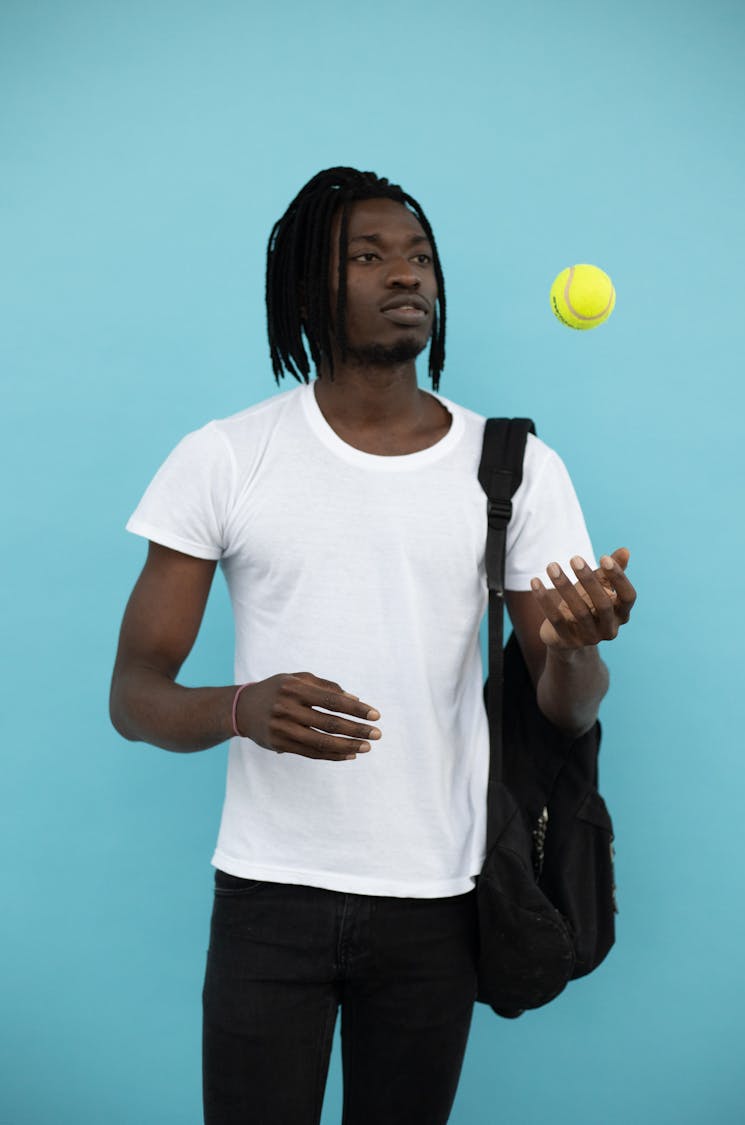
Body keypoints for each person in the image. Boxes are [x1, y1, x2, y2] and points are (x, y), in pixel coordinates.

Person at [109, 166, 636, 1125]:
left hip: (441, 896)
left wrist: (574, 646)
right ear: (311, 287)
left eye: (421, 257)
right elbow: (134, 692)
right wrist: (240, 707)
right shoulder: (228, 456)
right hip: (269, 895)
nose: (408, 276)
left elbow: (568, 708)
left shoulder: (512, 469)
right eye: (370, 255)